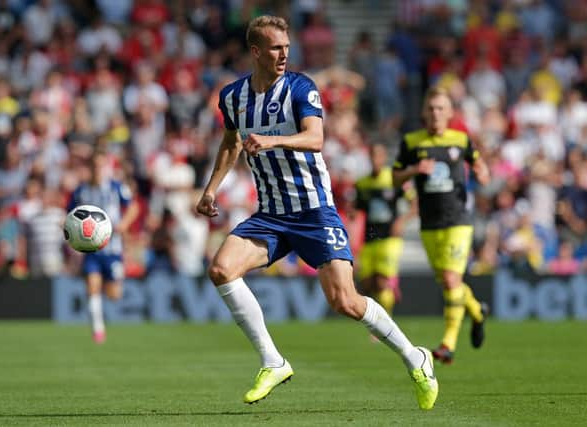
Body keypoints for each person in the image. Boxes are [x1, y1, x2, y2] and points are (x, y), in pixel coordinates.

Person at [196, 15, 438, 410]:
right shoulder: (233, 97)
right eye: (275, 48)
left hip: (313, 211)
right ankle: (272, 361)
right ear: (255, 51)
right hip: (272, 214)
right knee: (221, 269)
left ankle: (416, 357)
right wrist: (210, 189)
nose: (283, 55)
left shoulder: (300, 87)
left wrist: (272, 140)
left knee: (345, 301)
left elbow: (316, 137)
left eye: (287, 48)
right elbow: (230, 143)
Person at [392, 86, 490, 365]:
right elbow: (395, 177)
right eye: (431, 108)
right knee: (451, 282)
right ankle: (477, 310)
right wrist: (413, 171)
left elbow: (480, 165)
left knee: (450, 280)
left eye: (441, 108)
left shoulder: (461, 139)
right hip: (429, 223)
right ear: (424, 112)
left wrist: (483, 173)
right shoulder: (412, 142)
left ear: (449, 113)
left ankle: (448, 344)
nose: (435, 113)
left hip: (458, 220)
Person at [67, 150, 138, 344]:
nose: (98, 169)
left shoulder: (116, 187)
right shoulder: (81, 191)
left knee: (114, 294)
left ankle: (106, 295)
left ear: (107, 167)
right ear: (89, 168)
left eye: (101, 165)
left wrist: (124, 223)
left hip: (113, 249)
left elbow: (133, 207)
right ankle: (98, 330)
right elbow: (69, 215)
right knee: (92, 286)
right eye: (94, 166)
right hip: (91, 249)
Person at [355, 143, 416, 315]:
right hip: (370, 238)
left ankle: (384, 322)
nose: (375, 160)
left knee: (381, 282)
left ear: (384, 158)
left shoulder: (394, 180)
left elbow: (415, 205)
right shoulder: (362, 183)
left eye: (379, 156)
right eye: (373, 156)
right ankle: (390, 292)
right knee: (367, 284)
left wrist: (401, 222)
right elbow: (358, 211)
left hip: (390, 238)